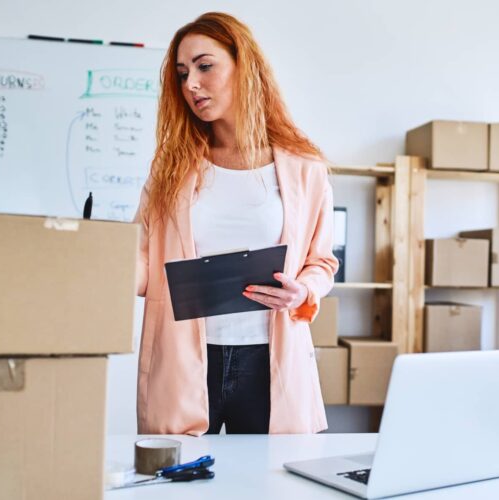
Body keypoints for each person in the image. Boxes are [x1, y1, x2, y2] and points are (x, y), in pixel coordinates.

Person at [134, 12, 338, 435]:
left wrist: (305, 290)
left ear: (245, 67)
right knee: (179, 485)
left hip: (269, 361)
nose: (191, 84)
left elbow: (321, 262)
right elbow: (141, 260)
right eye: (182, 73)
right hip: (188, 359)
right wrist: (91, 260)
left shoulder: (304, 167)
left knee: (273, 485)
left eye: (205, 66)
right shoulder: (170, 170)